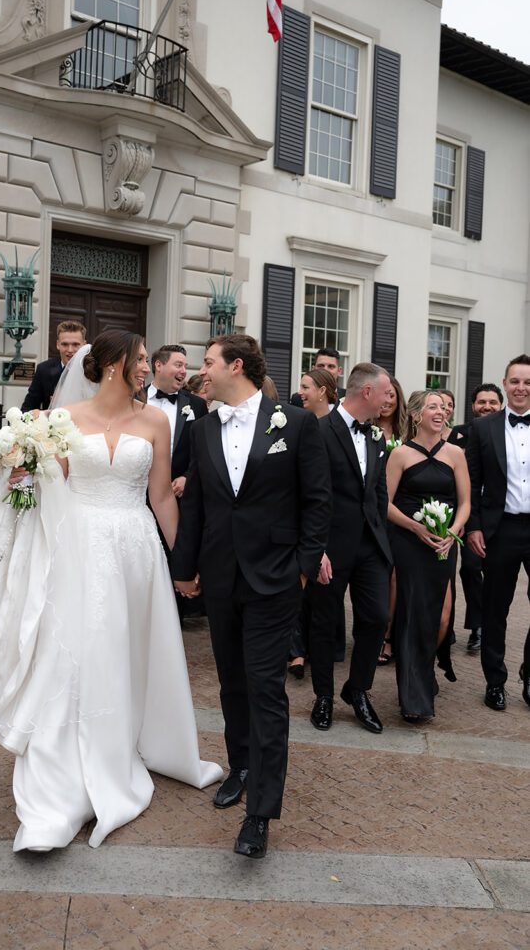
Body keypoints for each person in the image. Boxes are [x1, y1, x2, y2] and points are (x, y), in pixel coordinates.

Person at [0, 330, 222, 853]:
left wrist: (184, 563)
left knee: (126, 651)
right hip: (78, 547)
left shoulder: (155, 421)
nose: (150, 368)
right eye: (143, 359)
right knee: (76, 652)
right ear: (113, 365)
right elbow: (43, 487)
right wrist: (21, 475)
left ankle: (133, 740)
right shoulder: (62, 422)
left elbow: (161, 498)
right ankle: (59, 788)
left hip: (135, 549)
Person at [172, 334, 331, 859]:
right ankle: (239, 766)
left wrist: (303, 570)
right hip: (220, 577)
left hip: (275, 580)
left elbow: (317, 501)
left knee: (266, 690)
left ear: (235, 366)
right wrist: (186, 568)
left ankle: (259, 813)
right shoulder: (203, 429)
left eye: (209, 362)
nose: (202, 371)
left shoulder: (297, 425)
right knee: (233, 682)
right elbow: (195, 501)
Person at [307, 363, 393, 735]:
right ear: (367, 393)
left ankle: (357, 689)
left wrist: (384, 540)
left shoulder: (376, 437)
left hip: (370, 545)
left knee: (375, 618)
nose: (390, 400)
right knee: (324, 624)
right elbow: (307, 494)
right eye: (386, 393)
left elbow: (377, 493)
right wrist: (316, 548)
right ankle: (323, 695)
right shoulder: (318, 431)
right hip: (329, 546)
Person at [387, 391, 470, 722]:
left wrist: (453, 531)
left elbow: (465, 502)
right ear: (417, 415)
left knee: (441, 617)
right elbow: (385, 503)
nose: (441, 411)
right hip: (409, 543)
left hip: (443, 544)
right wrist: (415, 528)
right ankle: (413, 696)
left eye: (444, 407)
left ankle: (425, 668)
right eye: (433, 407)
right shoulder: (401, 455)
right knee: (410, 615)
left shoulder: (456, 454)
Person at [466, 355, 530, 713]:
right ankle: (495, 681)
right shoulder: (483, 428)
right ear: (504, 384)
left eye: (528, 382)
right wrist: (473, 525)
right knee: (495, 610)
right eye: (515, 381)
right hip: (499, 528)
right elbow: (472, 482)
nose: (521, 388)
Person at [287, 367, 338, 680]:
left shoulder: (336, 427)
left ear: (323, 390)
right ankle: (296, 650)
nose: (301, 392)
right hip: (301, 518)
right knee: (296, 587)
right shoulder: (295, 422)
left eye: (306, 387)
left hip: (330, 520)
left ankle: (317, 649)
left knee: (321, 594)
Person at [448, 383, 504, 651]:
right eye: (482, 402)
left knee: (497, 574)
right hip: (471, 514)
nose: (487, 407)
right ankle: (477, 626)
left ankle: (491, 624)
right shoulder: (459, 434)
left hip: (503, 516)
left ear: (500, 405)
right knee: (470, 568)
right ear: (473, 406)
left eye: (492, 402)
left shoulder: (507, 431)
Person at [373, 375, 407, 666]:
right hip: (370, 509)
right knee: (374, 576)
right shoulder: (365, 428)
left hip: (398, 513)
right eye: (383, 396)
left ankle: (387, 635)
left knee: (395, 576)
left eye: (392, 396)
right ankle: (370, 632)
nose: (387, 402)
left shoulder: (406, 432)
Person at [146, 345, 208, 500]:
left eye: (185, 366)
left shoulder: (197, 405)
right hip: (137, 493)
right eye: (178, 365)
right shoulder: (134, 399)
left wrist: (188, 477)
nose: (184, 371)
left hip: (177, 494)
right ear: (158, 365)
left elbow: (203, 449)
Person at [21, 320, 86, 412]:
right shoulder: (44, 369)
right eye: (65, 344)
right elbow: (27, 409)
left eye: (75, 344)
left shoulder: (94, 370)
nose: (70, 350)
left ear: (84, 345)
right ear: (57, 344)